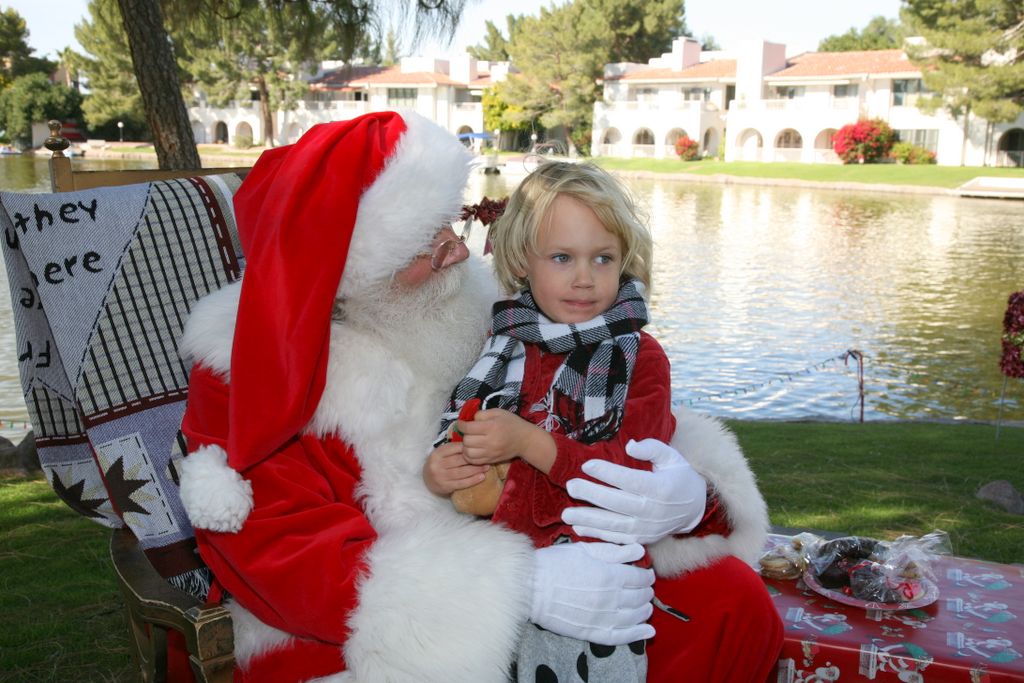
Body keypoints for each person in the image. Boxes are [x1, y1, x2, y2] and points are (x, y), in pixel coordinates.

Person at [177, 111, 782, 682]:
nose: (459, 252)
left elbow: (606, 409)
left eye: (451, 226)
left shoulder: (485, 303)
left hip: (541, 526)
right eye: (425, 245)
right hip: (377, 622)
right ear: (345, 267)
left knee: (730, 604)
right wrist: (522, 585)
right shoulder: (242, 367)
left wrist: (686, 495)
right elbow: (277, 555)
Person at [426, 161, 697, 682]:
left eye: (603, 258)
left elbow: (626, 476)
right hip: (505, 578)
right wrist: (440, 471)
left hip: (594, 583)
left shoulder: (640, 358)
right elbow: (460, 434)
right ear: (522, 261)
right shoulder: (502, 349)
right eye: (562, 257)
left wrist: (528, 442)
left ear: (626, 261)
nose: (584, 278)